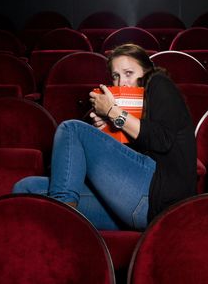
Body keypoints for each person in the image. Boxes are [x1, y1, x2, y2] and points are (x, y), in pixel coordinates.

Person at [12, 43, 196, 230]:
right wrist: (107, 129)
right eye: (116, 76)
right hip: (132, 205)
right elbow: (124, 161)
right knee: (27, 189)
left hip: (159, 200)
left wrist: (111, 111)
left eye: (129, 73)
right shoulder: (133, 114)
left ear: (147, 71)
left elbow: (161, 140)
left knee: (71, 129)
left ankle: (64, 227)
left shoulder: (159, 83)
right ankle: (57, 226)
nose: (121, 82)